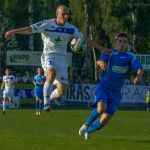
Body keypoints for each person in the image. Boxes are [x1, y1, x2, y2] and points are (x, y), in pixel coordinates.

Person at [5, 5, 85, 111]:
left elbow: (83, 38)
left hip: (62, 60)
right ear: (57, 14)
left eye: (67, 14)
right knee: (51, 72)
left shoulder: (71, 28)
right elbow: (30, 29)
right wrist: (13, 31)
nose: (66, 16)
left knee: (62, 90)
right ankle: (46, 104)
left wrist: (99, 48)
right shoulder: (47, 24)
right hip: (48, 55)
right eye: (63, 14)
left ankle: (49, 97)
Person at [79, 32, 143, 140]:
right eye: (120, 41)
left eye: (124, 42)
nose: (122, 44)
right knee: (101, 108)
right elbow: (100, 60)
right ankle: (85, 125)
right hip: (104, 88)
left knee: (105, 120)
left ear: (127, 43)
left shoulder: (130, 57)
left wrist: (139, 76)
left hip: (116, 93)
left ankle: (89, 131)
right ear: (116, 42)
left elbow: (139, 69)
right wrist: (101, 63)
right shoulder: (110, 53)